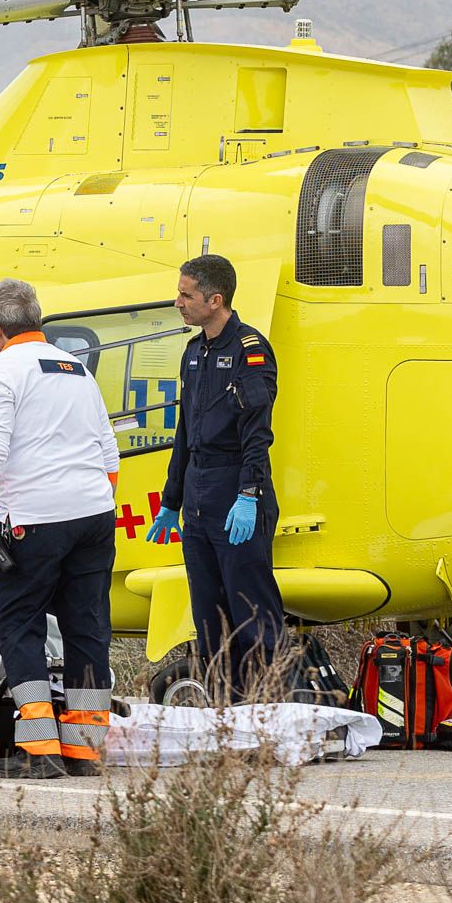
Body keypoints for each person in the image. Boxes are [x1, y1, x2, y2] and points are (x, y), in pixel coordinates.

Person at [0, 278, 118, 779]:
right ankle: (85, 748)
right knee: (86, 627)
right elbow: (108, 452)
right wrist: (89, 502)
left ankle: (40, 750)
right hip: (95, 516)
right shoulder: (75, 367)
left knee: (18, 625)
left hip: (36, 519)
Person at [152, 253, 287, 702]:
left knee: (251, 610)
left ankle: (265, 709)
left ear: (215, 300)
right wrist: (171, 501)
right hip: (198, 495)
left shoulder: (250, 350)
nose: (178, 302)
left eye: (186, 295)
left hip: (235, 492)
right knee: (209, 616)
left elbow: (257, 433)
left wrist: (249, 493)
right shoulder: (194, 352)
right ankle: (225, 708)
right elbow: (185, 433)